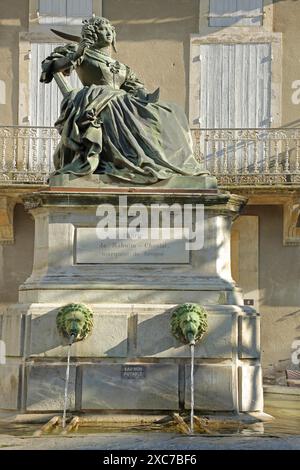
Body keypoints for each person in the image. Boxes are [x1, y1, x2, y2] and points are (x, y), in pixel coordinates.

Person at [40, 16, 207, 184]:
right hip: (97, 99)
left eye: (110, 30)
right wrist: (76, 54)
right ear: (92, 34)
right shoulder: (83, 53)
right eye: (102, 30)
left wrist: (147, 97)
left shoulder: (121, 67)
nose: (108, 33)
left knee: (170, 110)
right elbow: (50, 67)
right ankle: (131, 159)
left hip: (121, 99)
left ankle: (164, 162)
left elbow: (135, 88)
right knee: (118, 106)